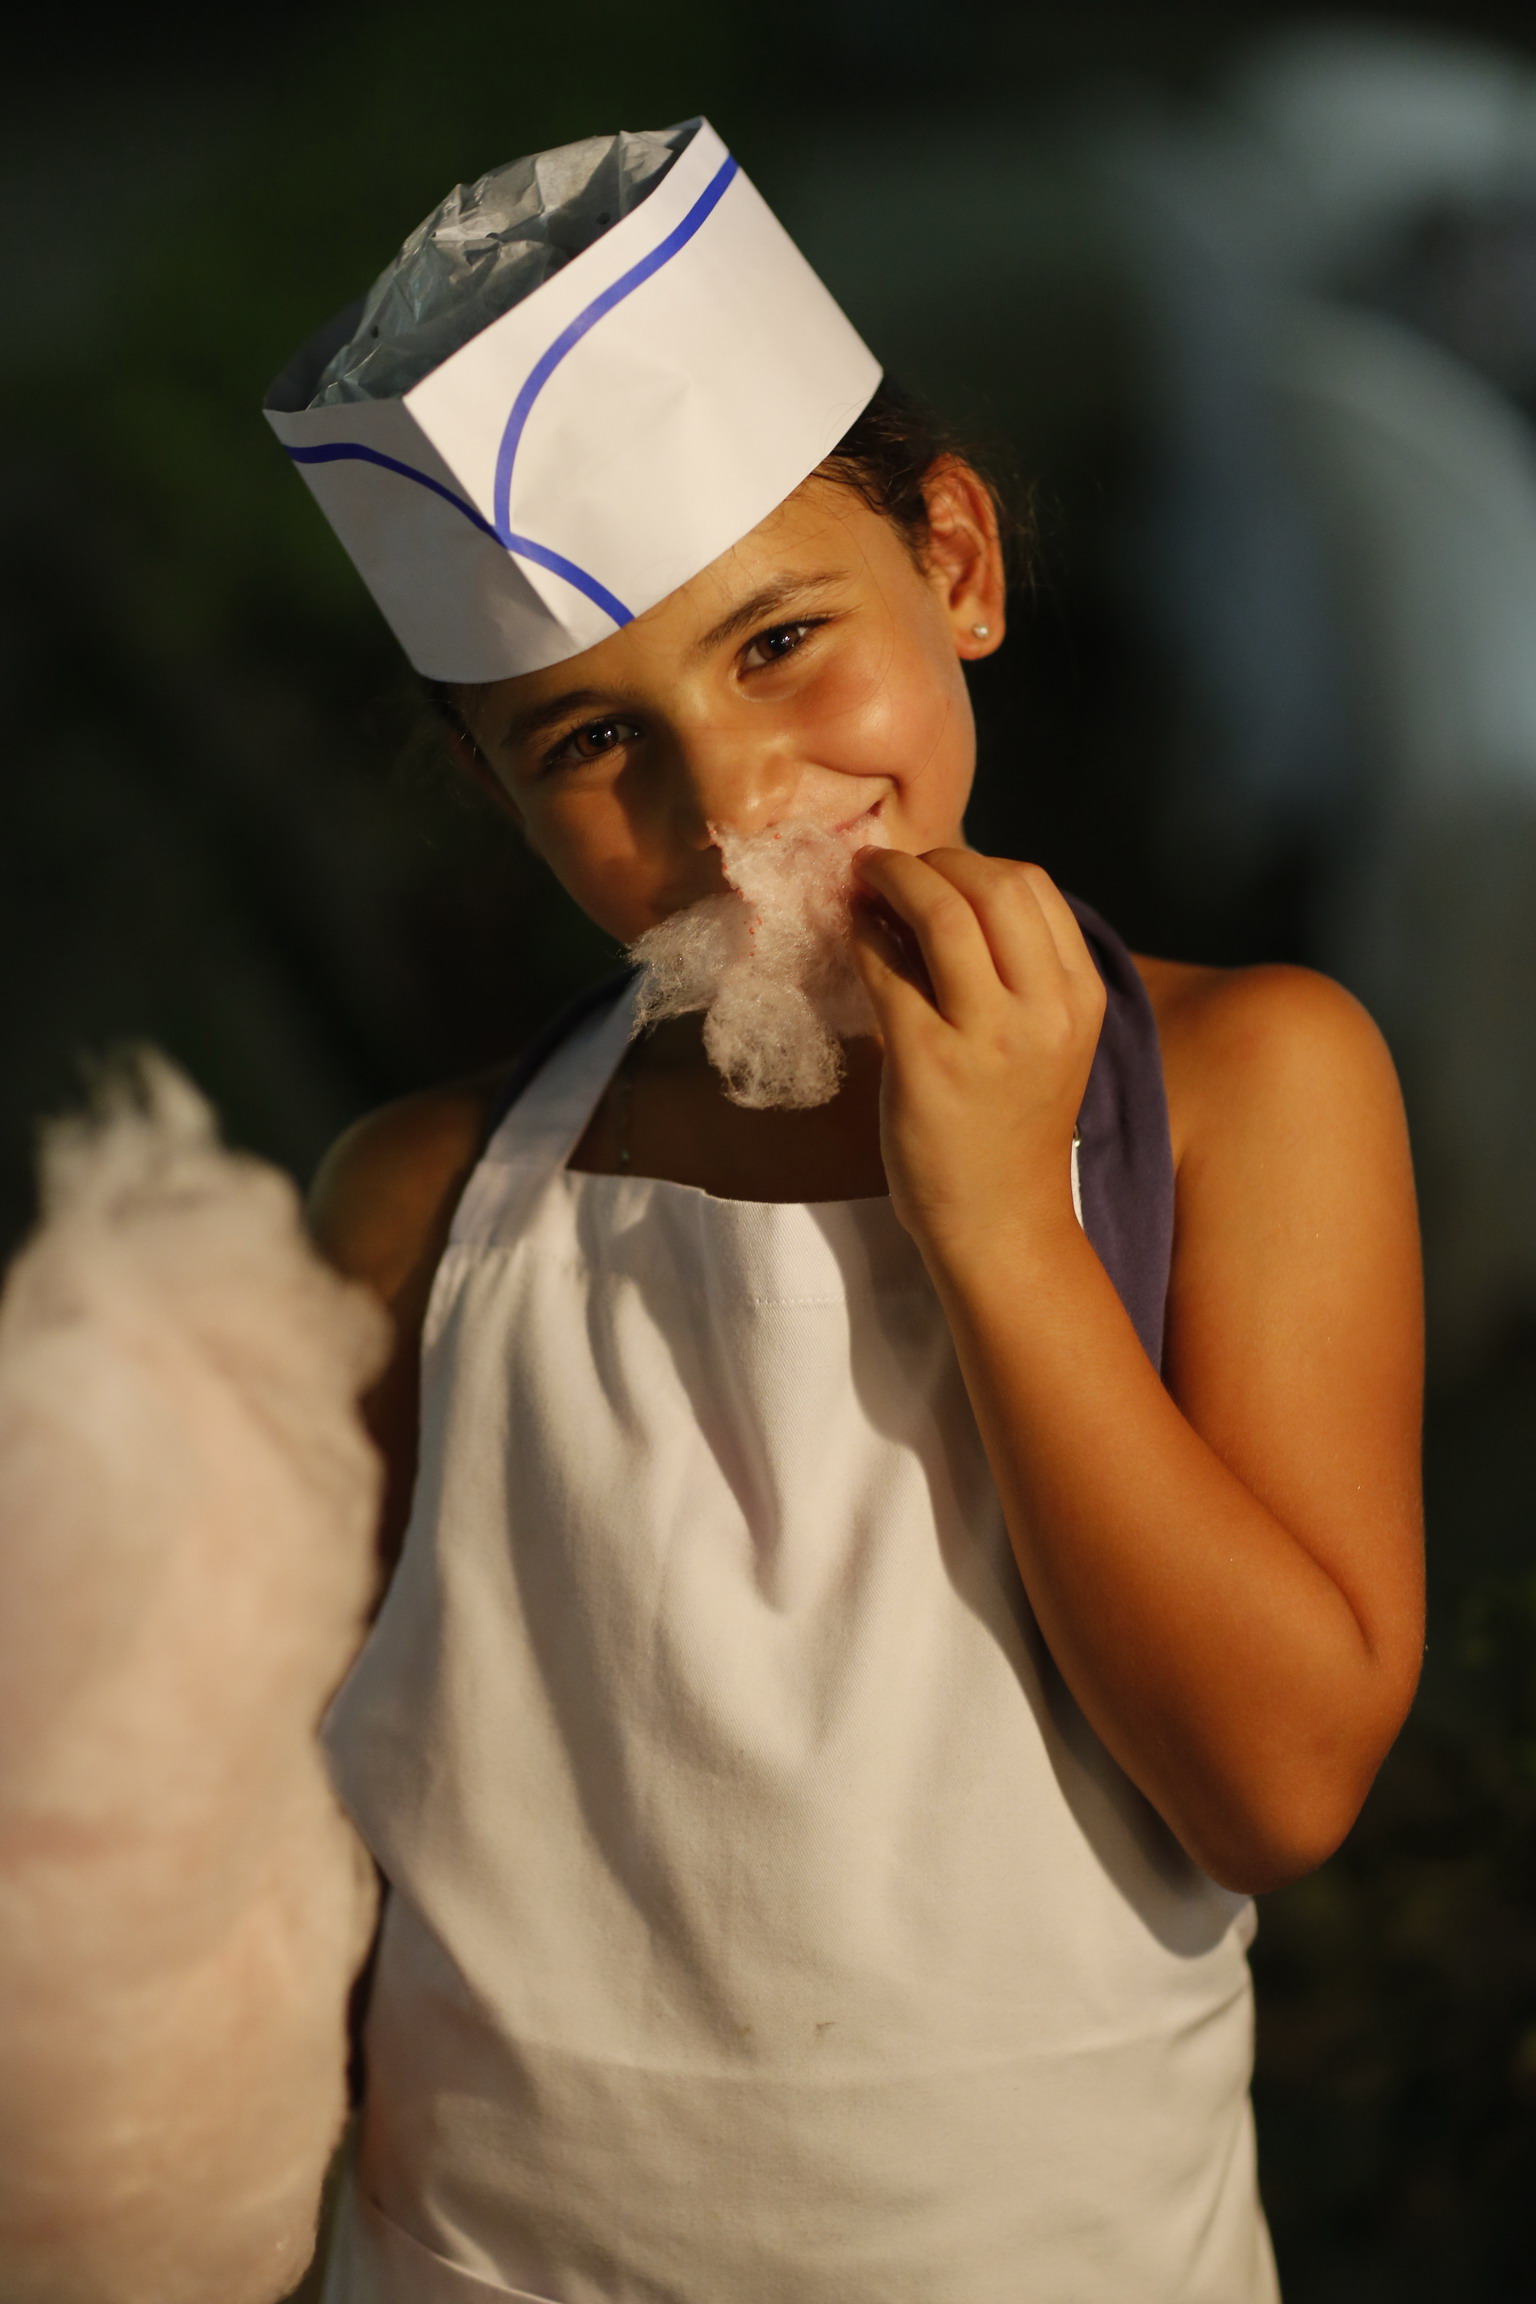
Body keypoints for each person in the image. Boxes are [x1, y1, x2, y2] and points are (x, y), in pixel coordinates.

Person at [270, 118, 1424, 2302]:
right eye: (585, 744)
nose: (730, 799)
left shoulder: (1248, 1088)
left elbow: (1276, 1787)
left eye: (783, 640)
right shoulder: (419, 1207)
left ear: (957, 562)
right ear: (495, 789)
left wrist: (999, 1221)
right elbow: (291, 1862)